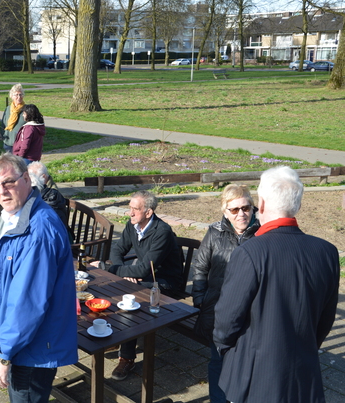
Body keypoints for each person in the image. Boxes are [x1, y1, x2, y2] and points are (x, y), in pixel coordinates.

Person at [213, 166, 339, 403]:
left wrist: (225, 348)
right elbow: (325, 318)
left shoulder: (249, 253)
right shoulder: (328, 252)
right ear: (297, 206)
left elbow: (226, 320)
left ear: (261, 205)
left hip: (255, 378)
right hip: (304, 374)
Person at [0, 153, 77, 402]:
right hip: (26, 342)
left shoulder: (38, 231)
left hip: (32, 347)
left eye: (9, 182)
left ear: (27, 179)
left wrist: (4, 354)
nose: (2, 191)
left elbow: (26, 302)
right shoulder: (13, 218)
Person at [191, 184, 260, 403]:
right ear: (225, 211)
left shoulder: (263, 233)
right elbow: (200, 267)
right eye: (234, 209)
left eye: (246, 208)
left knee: (249, 364)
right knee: (218, 361)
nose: (241, 214)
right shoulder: (214, 232)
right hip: (219, 310)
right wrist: (200, 299)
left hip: (251, 313)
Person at [103, 190, 182, 381]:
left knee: (130, 297)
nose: (130, 213)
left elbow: (142, 271)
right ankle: (117, 334)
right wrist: (121, 269)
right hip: (147, 276)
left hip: (166, 282)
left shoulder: (161, 232)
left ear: (148, 212)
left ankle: (127, 358)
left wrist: (111, 269)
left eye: (135, 209)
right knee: (116, 287)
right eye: (129, 208)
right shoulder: (134, 224)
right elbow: (118, 249)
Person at [27, 161, 68, 226]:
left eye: (32, 176)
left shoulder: (52, 195)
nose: (28, 179)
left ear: (43, 177)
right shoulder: (44, 190)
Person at [1, 83, 25, 153]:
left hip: (21, 145)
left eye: (20, 94)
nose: (19, 97)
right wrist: (4, 137)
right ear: (11, 96)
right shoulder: (8, 109)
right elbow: (3, 125)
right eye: (16, 95)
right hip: (8, 143)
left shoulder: (26, 109)